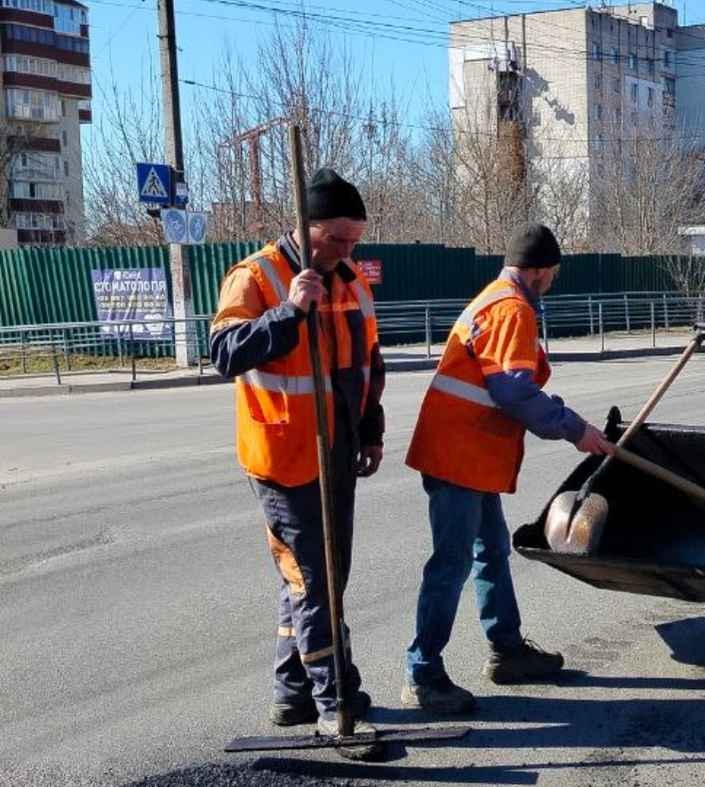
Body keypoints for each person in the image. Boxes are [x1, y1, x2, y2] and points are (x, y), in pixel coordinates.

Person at [401, 223, 614, 714]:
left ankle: (507, 650)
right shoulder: (513, 309)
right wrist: (574, 429)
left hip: (469, 455)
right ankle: (422, 673)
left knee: (491, 552)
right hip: (459, 456)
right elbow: (513, 390)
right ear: (540, 271)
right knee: (451, 564)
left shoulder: (496, 297)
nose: (553, 282)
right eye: (554, 274)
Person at [210, 169, 385, 742]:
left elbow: (368, 361)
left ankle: (291, 696)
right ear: (307, 227)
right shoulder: (257, 275)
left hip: (336, 449)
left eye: (355, 239)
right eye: (337, 239)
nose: (348, 251)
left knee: (315, 577)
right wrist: (288, 313)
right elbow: (224, 352)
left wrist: (371, 429)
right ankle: (338, 701)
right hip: (283, 455)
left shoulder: (351, 276)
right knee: (316, 578)